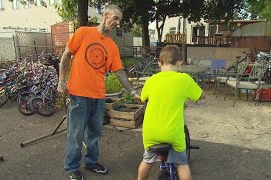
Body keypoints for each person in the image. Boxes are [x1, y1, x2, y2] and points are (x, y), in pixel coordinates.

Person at [57, 4, 140, 180]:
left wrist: (132, 92)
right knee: (76, 134)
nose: (117, 23)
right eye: (115, 18)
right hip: (78, 95)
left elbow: (120, 72)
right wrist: (61, 81)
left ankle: (91, 162)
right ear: (105, 15)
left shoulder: (111, 46)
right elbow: (65, 56)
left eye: (120, 20)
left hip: (98, 97)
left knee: (94, 134)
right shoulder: (83, 33)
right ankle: (71, 167)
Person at [138, 45, 205, 180]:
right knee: (182, 164)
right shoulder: (184, 79)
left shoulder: (150, 80)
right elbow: (200, 95)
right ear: (179, 63)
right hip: (173, 133)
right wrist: (200, 95)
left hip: (151, 133)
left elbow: (142, 98)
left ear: (159, 63)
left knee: (147, 160)